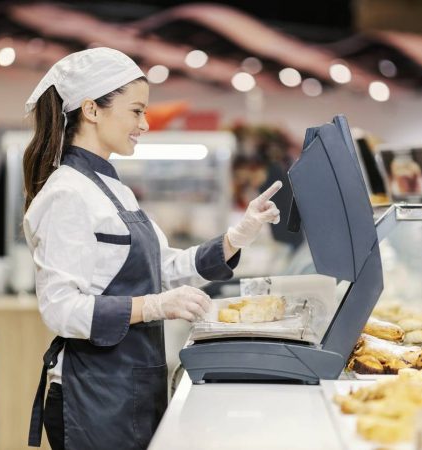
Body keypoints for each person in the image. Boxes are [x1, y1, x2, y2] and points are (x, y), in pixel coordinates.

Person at [23, 48, 281, 450]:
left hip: (132, 383)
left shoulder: (114, 188)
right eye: (136, 111)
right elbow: (60, 309)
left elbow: (165, 268)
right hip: (94, 394)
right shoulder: (67, 194)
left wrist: (238, 235)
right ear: (91, 109)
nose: (144, 124)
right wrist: (155, 306)